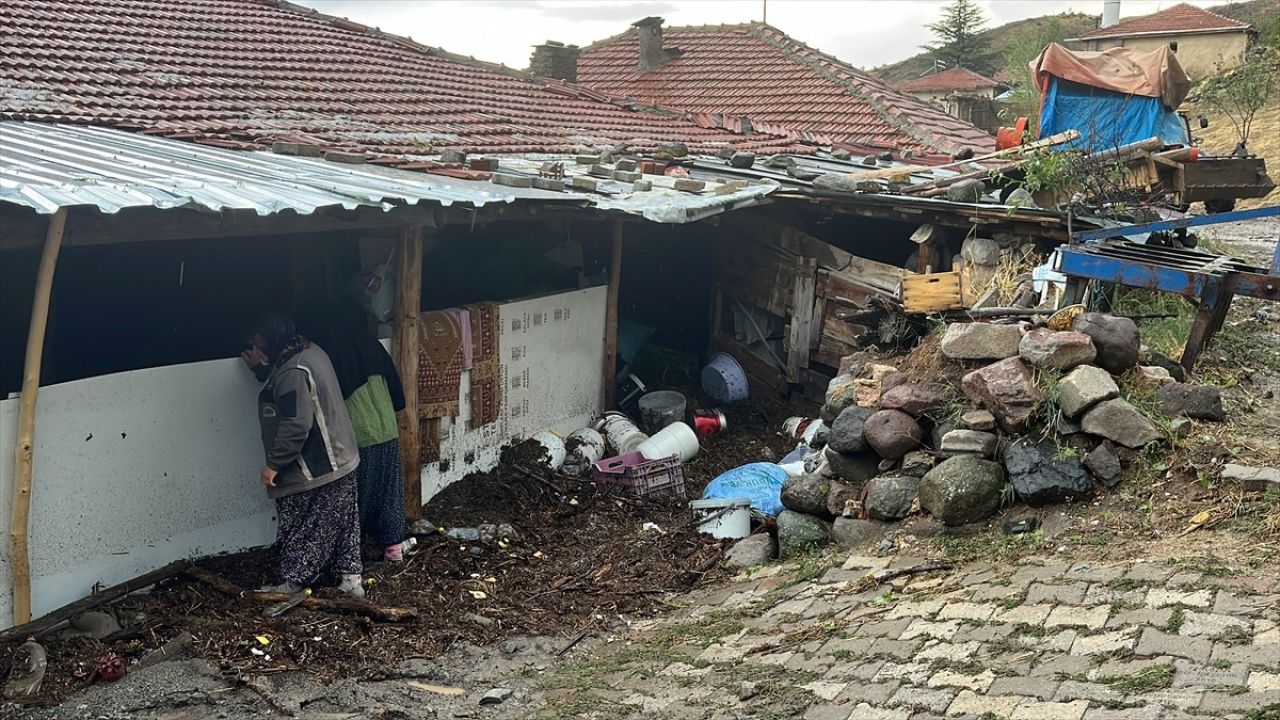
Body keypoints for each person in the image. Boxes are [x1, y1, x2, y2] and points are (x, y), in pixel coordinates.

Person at [242, 312, 365, 597]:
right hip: (343, 456)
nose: (255, 350)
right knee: (345, 521)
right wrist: (261, 370)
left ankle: (294, 582)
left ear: (272, 342)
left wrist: (273, 464)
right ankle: (351, 581)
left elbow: (296, 423)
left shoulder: (292, 371)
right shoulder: (307, 349)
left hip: (319, 465)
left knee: (304, 525)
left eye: (259, 345)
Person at [295, 301, 408, 562]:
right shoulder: (370, 343)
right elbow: (394, 386)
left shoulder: (327, 353)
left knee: (355, 497)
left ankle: (349, 553)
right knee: (389, 489)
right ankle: (393, 547)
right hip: (386, 427)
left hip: (356, 432)